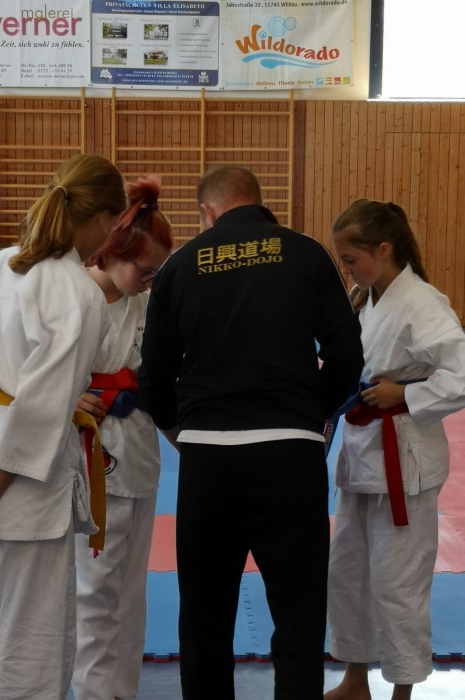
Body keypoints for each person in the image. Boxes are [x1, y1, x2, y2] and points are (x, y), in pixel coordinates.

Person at [138, 165, 364, 700]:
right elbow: (348, 357)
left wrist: (181, 431)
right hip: (290, 456)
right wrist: (309, 414)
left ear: (207, 211)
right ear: (260, 202)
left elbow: (154, 377)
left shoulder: (181, 265)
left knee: (205, 617)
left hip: (209, 459)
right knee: (298, 613)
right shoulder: (306, 254)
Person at [0, 153, 127, 700]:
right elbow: (43, 408)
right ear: (107, 220)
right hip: (20, 475)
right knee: (34, 634)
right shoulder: (76, 292)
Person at [325, 200, 465, 700]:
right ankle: (355, 680)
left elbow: (461, 374)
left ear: (383, 250)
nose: (346, 269)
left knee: (397, 583)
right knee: (348, 574)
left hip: (403, 460)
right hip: (362, 452)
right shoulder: (367, 297)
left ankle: (402, 691)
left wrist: (405, 393)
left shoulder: (422, 302)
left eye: (350, 259)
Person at [71, 177, 174, 700]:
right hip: (85, 458)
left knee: (131, 593)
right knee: (94, 592)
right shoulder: (69, 296)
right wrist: (70, 400)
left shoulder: (147, 305)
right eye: (144, 269)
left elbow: (164, 378)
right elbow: (24, 378)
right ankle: (92, 692)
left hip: (137, 453)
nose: (150, 280)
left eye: (157, 272)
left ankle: (120, 692)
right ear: (111, 251)